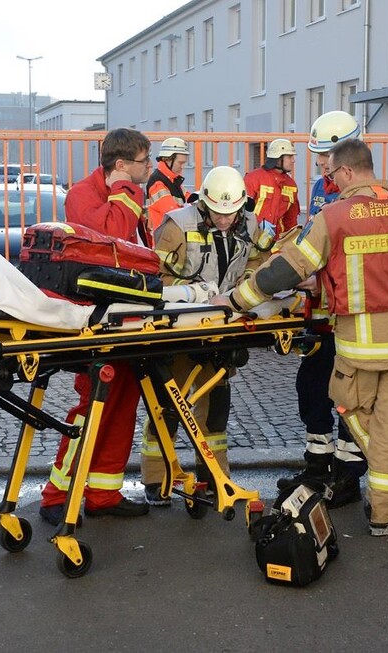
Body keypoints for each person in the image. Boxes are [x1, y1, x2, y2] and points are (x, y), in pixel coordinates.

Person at [217, 138, 388, 537]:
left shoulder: (335, 217)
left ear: (345, 172)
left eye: (331, 174)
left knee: (349, 411)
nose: (330, 181)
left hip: (358, 349)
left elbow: (285, 271)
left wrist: (237, 299)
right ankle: (382, 518)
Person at [38, 127, 154, 525]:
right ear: (121, 165)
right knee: (91, 408)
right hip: (95, 319)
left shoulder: (124, 194)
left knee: (123, 406)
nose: (149, 168)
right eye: (143, 161)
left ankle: (103, 493)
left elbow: (139, 252)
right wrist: (125, 192)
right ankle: (57, 494)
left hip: (127, 315)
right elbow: (112, 238)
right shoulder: (84, 195)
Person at [142, 166, 268, 505]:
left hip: (221, 330)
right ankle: (157, 478)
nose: (225, 220)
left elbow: (260, 262)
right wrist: (196, 292)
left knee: (216, 406)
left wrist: (246, 289)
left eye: (231, 213)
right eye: (218, 212)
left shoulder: (251, 226)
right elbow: (155, 276)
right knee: (169, 403)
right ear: (203, 203)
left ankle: (214, 474)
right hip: (179, 329)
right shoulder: (177, 224)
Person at [276, 111, 367, 507]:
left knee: (347, 397)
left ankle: (347, 476)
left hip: (349, 315)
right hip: (320, 313)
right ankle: (318, 466)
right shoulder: (319, 186)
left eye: (325, 154)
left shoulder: (365, 197)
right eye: (316, 155)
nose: (318, 162)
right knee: (311, 389)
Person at [244, 137, 300, 235]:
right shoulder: (253, 178)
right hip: (253, 237)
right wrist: (259, 221)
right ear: (278, 159)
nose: (293, 160)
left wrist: (290, 240)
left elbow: (291, 220)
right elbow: (242, 209)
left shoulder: (291, 185)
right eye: (289, 157)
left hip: (278, 242)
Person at [146, 137, 189, 233]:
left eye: (184, 163)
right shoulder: (158, 183)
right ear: (168, 159)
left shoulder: (173, 180)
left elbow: (189, 198)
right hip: (163, 240)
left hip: (171, 236)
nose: (182, 167)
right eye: (180, 163)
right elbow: (172, 213)